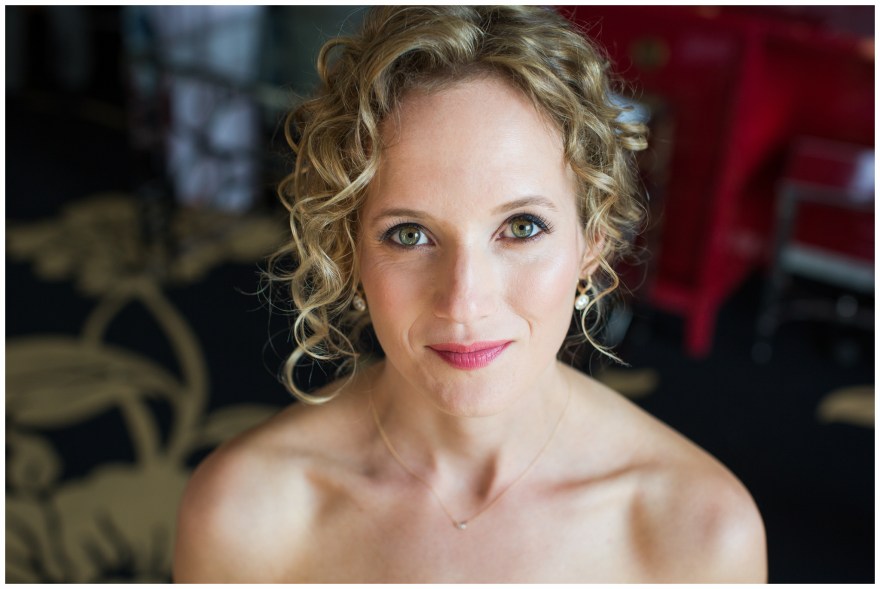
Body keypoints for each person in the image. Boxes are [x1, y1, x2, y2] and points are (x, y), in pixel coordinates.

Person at [173, 6, 767, 582]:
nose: (464, 303)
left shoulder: (702, 535)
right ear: (347, 250)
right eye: (410, 234)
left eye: (521, 228)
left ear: (594, 242)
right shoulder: (244, 514)